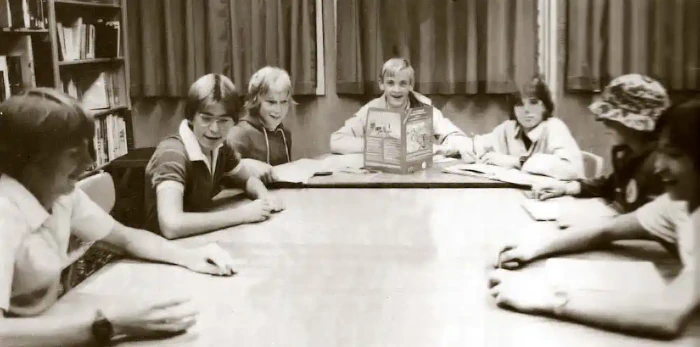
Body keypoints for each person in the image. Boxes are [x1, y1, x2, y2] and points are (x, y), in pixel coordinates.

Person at [0, 88, 236, 346]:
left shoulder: (61, 196)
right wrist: (107, 325)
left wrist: (190, 257)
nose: (88, 163)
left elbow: (125, 238)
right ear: (32, 159)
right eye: (73, 154)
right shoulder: (5, 214)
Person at [488, 98, 700, 339]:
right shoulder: (677, 205)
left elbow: (666, 315)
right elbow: (607, 230)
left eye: (673, 155)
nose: (659, 166)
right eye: (659, 153)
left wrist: (548, 296)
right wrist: (533, 248)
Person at [144, 74, 284, 239]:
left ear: (234, 122)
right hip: (161, 252)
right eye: (206, 118)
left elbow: (247, 179)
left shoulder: (221, 147)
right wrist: (242, 214)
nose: (215, 129)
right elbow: (171, 225)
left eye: (224, 120)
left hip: (197, 240)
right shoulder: (172, 154)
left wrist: (264, 198)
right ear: (191, 117)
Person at [531, 74, 670, 213]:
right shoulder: (625, 152)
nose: (603, 121)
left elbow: (651, 224)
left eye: (613, 116)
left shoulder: (660, 166)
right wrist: (567, 188)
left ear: (636, 123)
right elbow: (610, 185)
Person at [329, 58, 472, 158]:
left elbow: (459, 139)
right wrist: (378, 145)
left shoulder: (423, 107)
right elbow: (336, 141)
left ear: (411, 85)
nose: (396, 90)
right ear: (381, 84)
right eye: (390, 83)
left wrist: (440, 149)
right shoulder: (370, 110)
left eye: (403, 83)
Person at [472, 76, 583, 180]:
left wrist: (518, 162)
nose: (526, 110)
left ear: (545, 106)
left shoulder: (554, 127)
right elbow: (476, 146)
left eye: (533, 103)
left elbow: (572, 168)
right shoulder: (508, 128)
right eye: (520, 104)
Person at [227, 66, 295, 166]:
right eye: (271, 102)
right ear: (256, 101)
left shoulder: (284, 134)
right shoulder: (239, 134)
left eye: (284, 102)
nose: (278, 110)